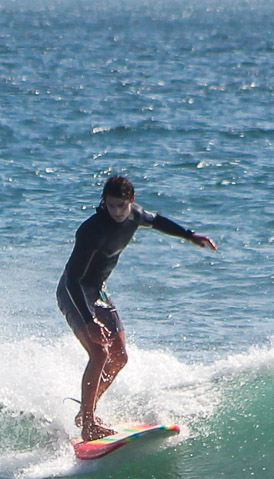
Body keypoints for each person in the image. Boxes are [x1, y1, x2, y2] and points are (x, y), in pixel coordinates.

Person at [57, 175, 217, 441]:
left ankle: (86, 411)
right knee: (99, 353)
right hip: (74, 293)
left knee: (119, 357)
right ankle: (88, 424)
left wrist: (189, 235)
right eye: (111, 205)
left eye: (121, 205)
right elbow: (72, 279)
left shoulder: (136, 215)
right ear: (104, 202)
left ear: (131, 200)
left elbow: (157, 221)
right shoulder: (91, 230)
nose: (117, 211)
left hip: (98, 290)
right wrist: (88, 321)